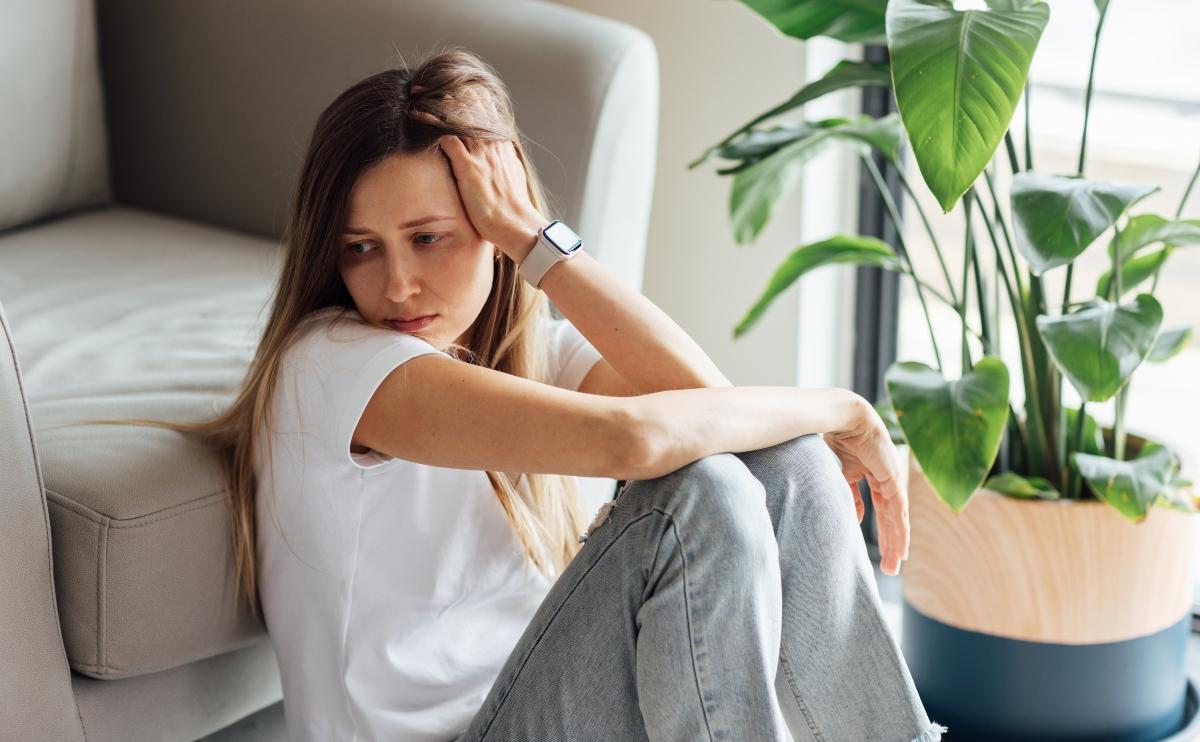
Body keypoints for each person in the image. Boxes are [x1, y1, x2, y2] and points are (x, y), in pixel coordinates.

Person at [84, 46, 946, 742]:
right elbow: (635, 444)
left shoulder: (519, 346)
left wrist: (540, 241)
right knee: (701, 493)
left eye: (430, 238)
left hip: (544, 705)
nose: (397, 285)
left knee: (780, 459)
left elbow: (705, 403)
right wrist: (845, 406)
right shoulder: (335, 364)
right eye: (360, 249)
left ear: (494, 231)